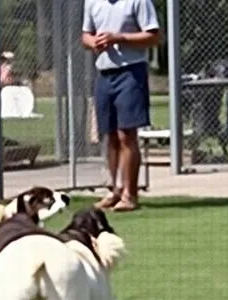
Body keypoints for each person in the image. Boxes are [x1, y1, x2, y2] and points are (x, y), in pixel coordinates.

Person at [81, 0, 161, 213]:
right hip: (104, 75)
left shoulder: (138, 1)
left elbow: (154, 36)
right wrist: (93, 42)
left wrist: (120, 38)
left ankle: (130, 194)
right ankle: (114, 190)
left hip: (131, 72)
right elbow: (85, 35)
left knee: (127, 134)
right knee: (110, 135)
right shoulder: (92, 2)